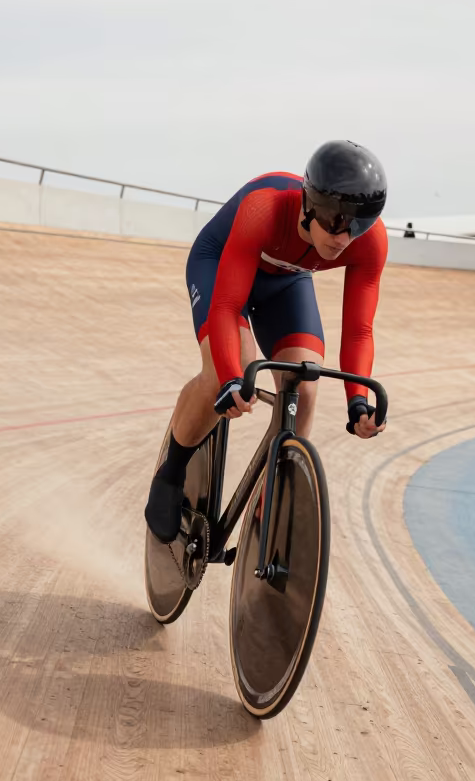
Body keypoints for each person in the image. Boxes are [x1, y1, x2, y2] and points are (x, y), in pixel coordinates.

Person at [145, 140, 388, 543]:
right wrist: (228, 378)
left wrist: (358, 402)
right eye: (335, 221)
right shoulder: (265, 208)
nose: (344, 237)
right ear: (309, 205)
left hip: (286, 280)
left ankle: (269, 506)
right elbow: (226, 306)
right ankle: (170, 474)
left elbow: (359, 330)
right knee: (230, 368)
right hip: (220, 263)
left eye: (358, 225)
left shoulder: (371, 241)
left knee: (304, 386)